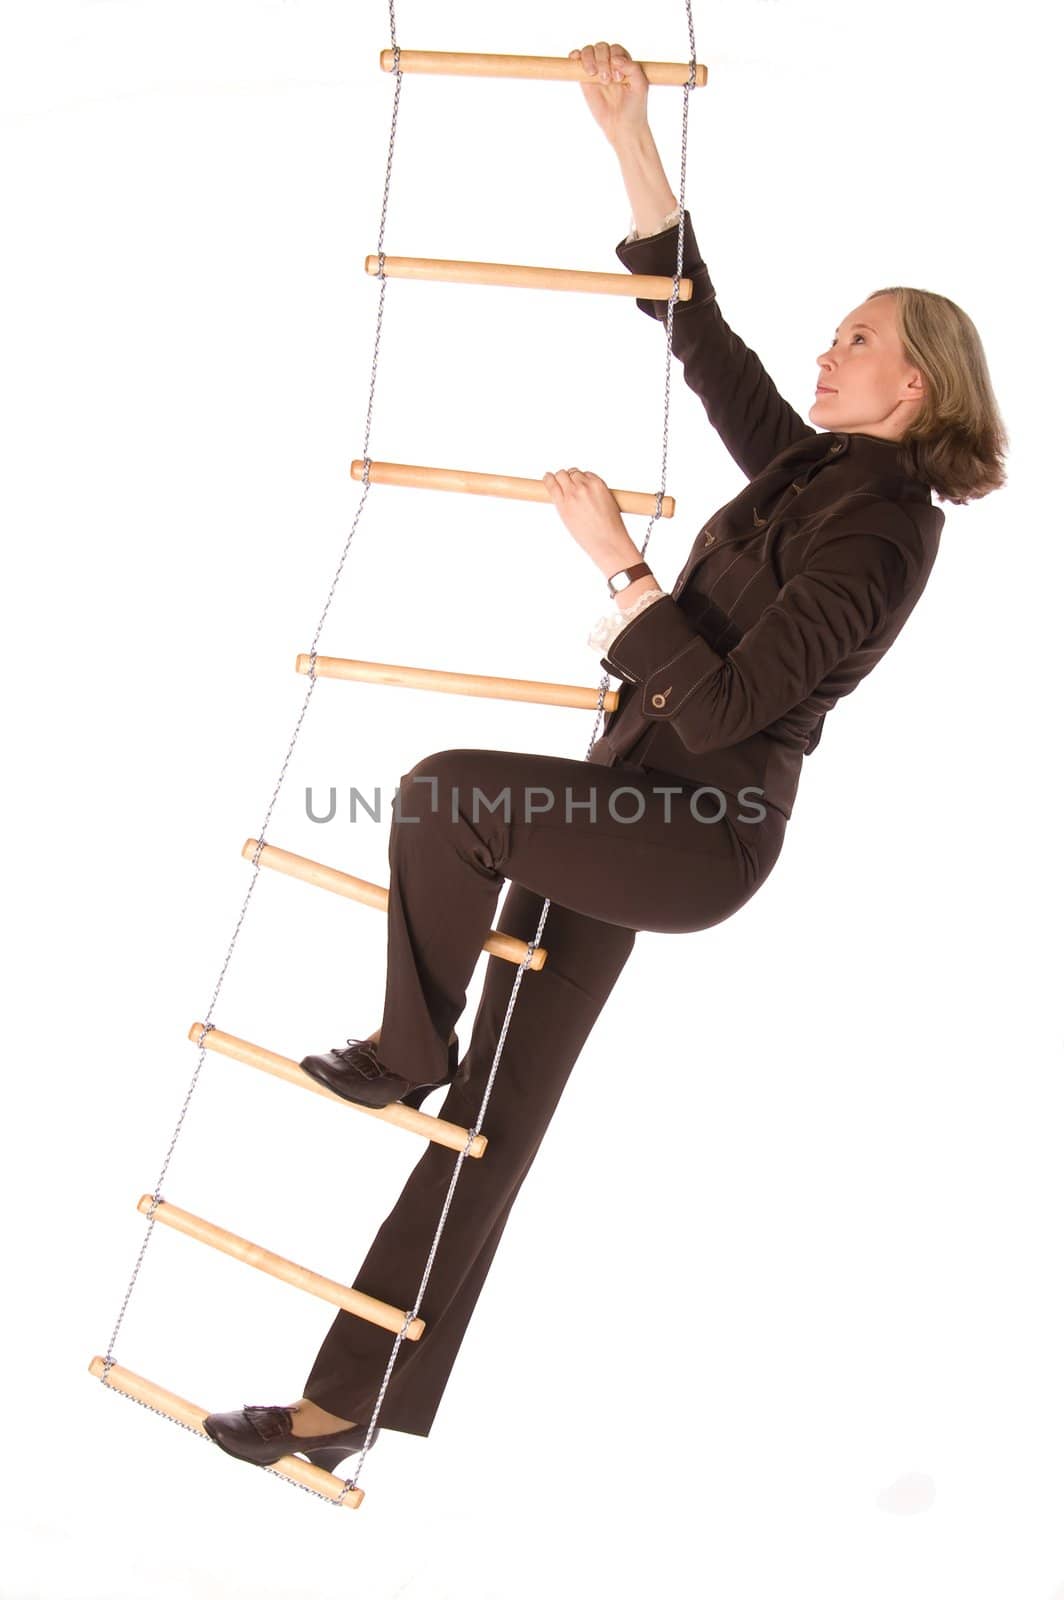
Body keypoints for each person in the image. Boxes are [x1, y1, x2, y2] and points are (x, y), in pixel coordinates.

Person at [203, 41, 1008, 1476]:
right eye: (834, 333)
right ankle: (341, 1411)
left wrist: (623, 570)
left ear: (919, 385)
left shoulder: (885, 529)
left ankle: (404, 1040)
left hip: (697, 834)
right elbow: (700, 332)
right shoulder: (811, 475)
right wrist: (626, 134)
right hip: (631, 805)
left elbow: (725, 710)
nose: (830, 352)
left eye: (860, 338)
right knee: (492, 1123)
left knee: (451, 793)